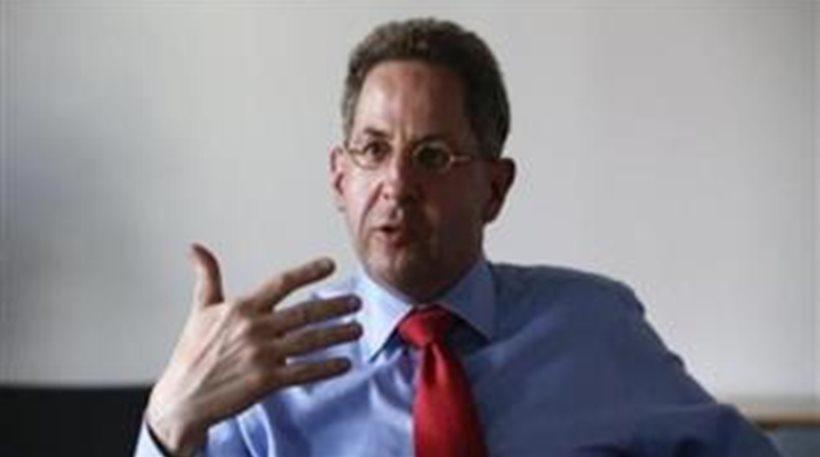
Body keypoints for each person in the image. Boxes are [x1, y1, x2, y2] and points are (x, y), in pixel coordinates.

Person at [135, 18, 780, 456]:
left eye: (433, 156)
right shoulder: (269, 364)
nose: (396, 184)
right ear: (339, 177)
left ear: (494, 188)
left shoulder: (594, 326)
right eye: (372, 150)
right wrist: (167, 424)